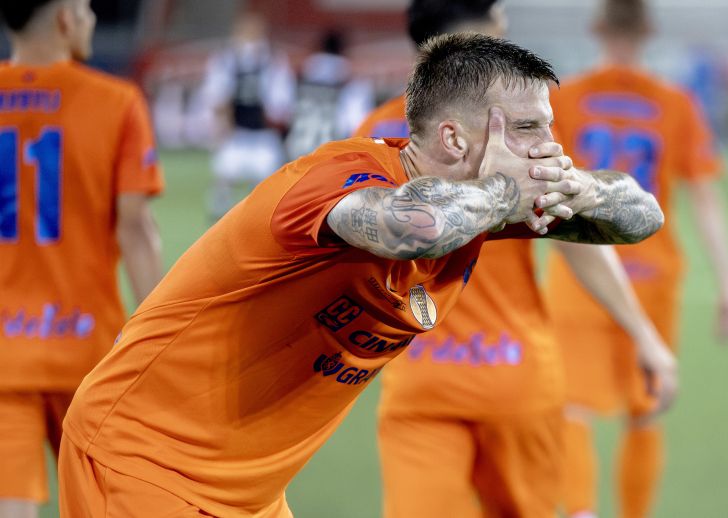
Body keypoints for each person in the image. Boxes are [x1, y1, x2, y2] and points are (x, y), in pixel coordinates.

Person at [59, 33, 664, 517]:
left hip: (248, 490)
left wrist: (579, 188)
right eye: (529, 128)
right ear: (454, 139)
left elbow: (642, 216)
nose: (549, 145)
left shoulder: (481, 203)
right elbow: (415, 227)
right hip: (145, 459)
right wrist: (506, 189)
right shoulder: (341, 177)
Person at [355, 1, 675, 516]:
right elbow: (576, 235)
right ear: (484, 33)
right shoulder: (519, 134)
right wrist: (643, 333)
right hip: (514, 371)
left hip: (420, 377)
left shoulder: (374, 134)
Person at [542, 1, 728, 517]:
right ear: (647, 33)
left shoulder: (568, 98)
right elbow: (704, 195)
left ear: (599, 30)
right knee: (647, 407)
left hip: (582, 272)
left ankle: (580, 511)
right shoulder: (672, 102)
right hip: (651, 272)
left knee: (575, 405)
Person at [0, 0, 164, 516]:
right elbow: (136, 231)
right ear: (66, 17)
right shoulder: (115, 102)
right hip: (91, 356)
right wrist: (163, 345)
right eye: (88, 8)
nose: (92, 18)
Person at [198, 9, 295, 220]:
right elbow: (216, 96)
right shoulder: (226, 59)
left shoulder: (273, 60)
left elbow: (281, 103)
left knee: (264, 187)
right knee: (224, 179)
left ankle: (254, 219)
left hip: (263, 135)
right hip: (236, 133)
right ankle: (221, 223)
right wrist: (221, 124)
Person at [285, 30, 374, 161]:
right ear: (343, 49)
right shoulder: (351, 79)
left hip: (296, 152)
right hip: (331, 154)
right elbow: (357, 124)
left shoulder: (300, 73)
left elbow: (281, 111)